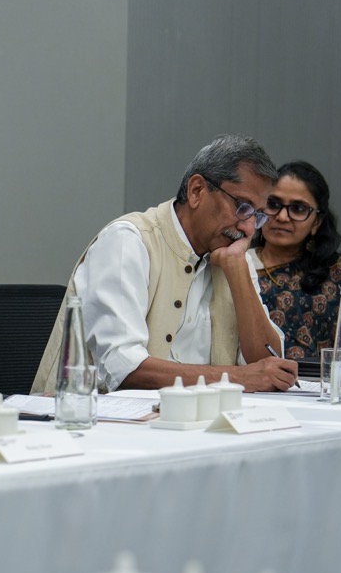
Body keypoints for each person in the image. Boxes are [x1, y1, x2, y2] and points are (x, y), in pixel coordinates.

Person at [33, 134, 298, 394]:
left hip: (195, 424)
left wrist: (238, 270)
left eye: (258, 215)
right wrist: (237, 378)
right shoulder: (129, 242)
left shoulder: (232, 254)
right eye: (243, 207)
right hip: (90, 425)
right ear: (197, 191)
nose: (249, 227)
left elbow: (266, 366)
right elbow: (124, 369)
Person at [251, 160, 341, 359]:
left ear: (317, 222)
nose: (283, 217)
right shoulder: (237, 264)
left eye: (298, 209)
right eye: (273, 204)